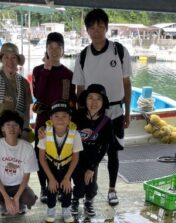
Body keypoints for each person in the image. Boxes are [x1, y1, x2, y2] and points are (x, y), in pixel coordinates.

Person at [72, 8, 132, 206]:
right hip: (90, 113)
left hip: (115, 110)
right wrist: (79, 116)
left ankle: (112, 189)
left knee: (112, 151)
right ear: (87, 30)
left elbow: (126, 83)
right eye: (92, 27)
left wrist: (128, 113)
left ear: (106, 28)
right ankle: (90, 192)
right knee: (90, 150)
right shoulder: (82, 56)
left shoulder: (119, 51)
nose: (96, 30)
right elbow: (80, 88)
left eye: (100, 26)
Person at [32, 32, 76, 203]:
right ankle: (44, 187)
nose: (55, 51)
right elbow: (39, 95)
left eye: (58, 48)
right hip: (43, 118)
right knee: (41, 153)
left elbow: (71, 99)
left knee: (63, 152)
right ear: (46, 50)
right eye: (51, 47)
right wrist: (47, 70)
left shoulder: (68, 74)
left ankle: (63, 184)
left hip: (63, 121)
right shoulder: (38, 70)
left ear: (63, 51)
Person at [0, 110, 38, 216]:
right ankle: (3, 204)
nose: (11, 128)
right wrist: (6, 198)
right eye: (8, 125)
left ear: (20, 130)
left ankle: (20, 203)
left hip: (19, 184)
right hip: (1, 185)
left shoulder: (27, 148)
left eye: (15, 125)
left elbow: (26, 176)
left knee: (30, 199)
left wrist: (17, 198)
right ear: (2, 128)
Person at [38, 100, 82, 223]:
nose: (60, 119)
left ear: (69, 119)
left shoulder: (75, 134)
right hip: (50, 166)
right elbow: (41, 158)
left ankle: (66, 209)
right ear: (50, 118)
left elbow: (76, 157)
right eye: (56, 116)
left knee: (67, 188)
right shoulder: (44, 133)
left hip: (66, 166)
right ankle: (51, 210)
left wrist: (68, 177)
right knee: (51, 188)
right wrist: (51, 178)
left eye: (64, 116)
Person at [72, 84, 113, 217]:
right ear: (85, 100)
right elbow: (65, 134)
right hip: (76, 157)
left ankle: (89, 201)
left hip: (93, 159)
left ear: (103, 102)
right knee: (78, 183)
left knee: (90, 184)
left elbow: (105, 147)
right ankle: (75, 200)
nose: (94, 102)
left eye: (98, 99)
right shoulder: (76, 116)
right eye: (90, 98)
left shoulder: (106, 122)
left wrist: (92, 167)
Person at [0, 43, 32, 142]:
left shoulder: (24, 82)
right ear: (2, 59)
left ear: (18, 60)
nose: (10, 61)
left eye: (13, 57)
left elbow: (26, 110)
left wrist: (25, 130)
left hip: (18, 130)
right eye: (6, 57)